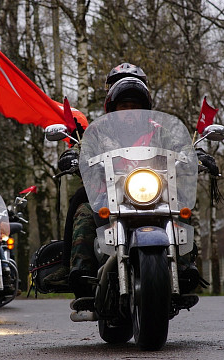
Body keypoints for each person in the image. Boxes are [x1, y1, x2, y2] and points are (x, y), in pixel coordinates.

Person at [43, 63, 153, 293]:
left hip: (153, 192)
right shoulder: (97, 131)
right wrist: (72, 157)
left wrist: (198, 158)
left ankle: (184, 264)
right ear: (112, 104)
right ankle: (77, 269)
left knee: (179, 208)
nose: (129, 112)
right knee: (83, 207)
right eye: (124, 106)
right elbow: (84, 150)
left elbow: (183, 152)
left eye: (135, 106)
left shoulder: (159, 129)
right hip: (109, 191)